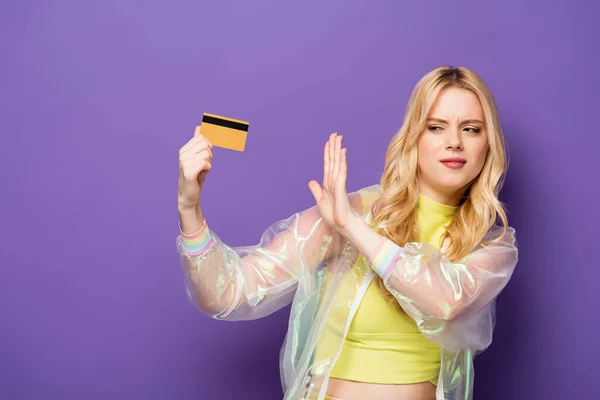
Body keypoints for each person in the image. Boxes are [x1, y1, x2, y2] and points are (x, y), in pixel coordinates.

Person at [175, 66, 519, 400]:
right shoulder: (347, 210)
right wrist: (189, 209)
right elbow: (228, 294)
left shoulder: (491, 246)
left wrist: (354, 229)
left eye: (471, 129)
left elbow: (445, 302)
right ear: (414, 136)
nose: (454, 142)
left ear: (489, 144)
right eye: (436, 127)